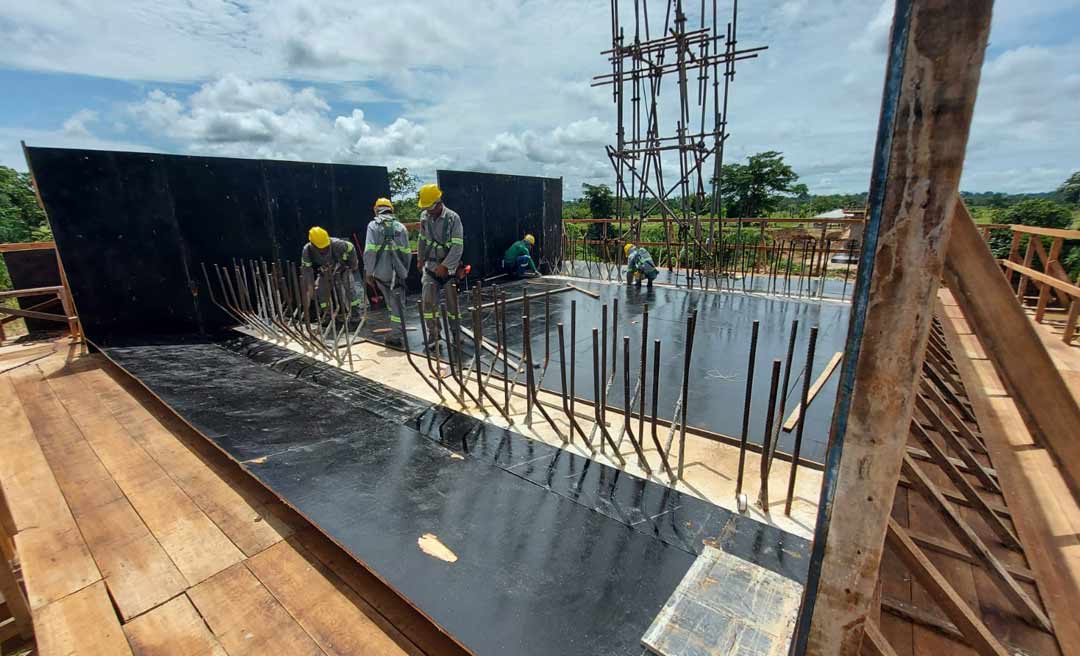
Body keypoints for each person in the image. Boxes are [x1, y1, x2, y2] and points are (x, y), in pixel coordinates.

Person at [416, 183, 463, 347]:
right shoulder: (424, 217)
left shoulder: (453, 218)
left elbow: (458, 246)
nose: (428, 210)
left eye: (430, 207)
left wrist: (446, 266)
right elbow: (422, 239)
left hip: (448, 269)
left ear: (438, 202)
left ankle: (456, 334)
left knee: (452, 305)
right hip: (430, 267)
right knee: (428, 303)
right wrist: (420, 258)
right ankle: (433, 334)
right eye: (426, 207)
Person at [363, 198, 411, 347]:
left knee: (392, 304)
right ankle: (396, 332)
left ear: (376, 210)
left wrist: (368, 272)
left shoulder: (373, 226)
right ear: (391, 210)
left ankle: (396, 334)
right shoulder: (401, 227)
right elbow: (407, 253)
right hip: (397, 273)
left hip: (380, 273)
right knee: (397, 304)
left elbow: (369, 251)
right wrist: (404, 271)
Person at [301, 226, 362, 321]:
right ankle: (327, 314)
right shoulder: (307, 250)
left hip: (341, 269)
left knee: (349, 287)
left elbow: (351, 248)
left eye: (326, 247)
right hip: (324, 272)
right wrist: (310, 286)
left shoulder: (337, 244)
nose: (323, 249)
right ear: (313, 244)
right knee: (321, 291)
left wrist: (352, 265)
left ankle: (355, 312)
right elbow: (307, 269)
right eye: (320, 248)